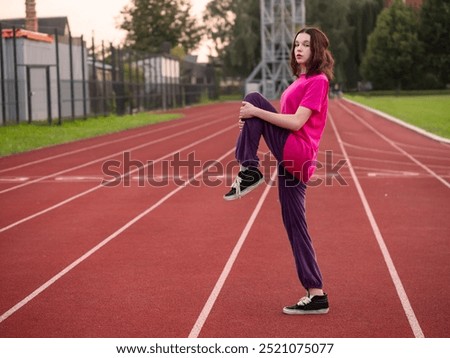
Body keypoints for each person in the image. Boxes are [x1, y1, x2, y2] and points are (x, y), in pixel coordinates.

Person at [224, 27, 334, 315]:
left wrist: (256, 114)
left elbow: (297, 123)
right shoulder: (301, 79)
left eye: (306, 45)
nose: (299, 49)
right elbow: (280, 119)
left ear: (317, 49)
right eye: (296, 44)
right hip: (292, 162)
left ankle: (249, 169)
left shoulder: (319, 81)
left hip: (297, 153)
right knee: (296, 227)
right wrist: (251, 124)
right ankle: (316, 293)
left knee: (255, 99)